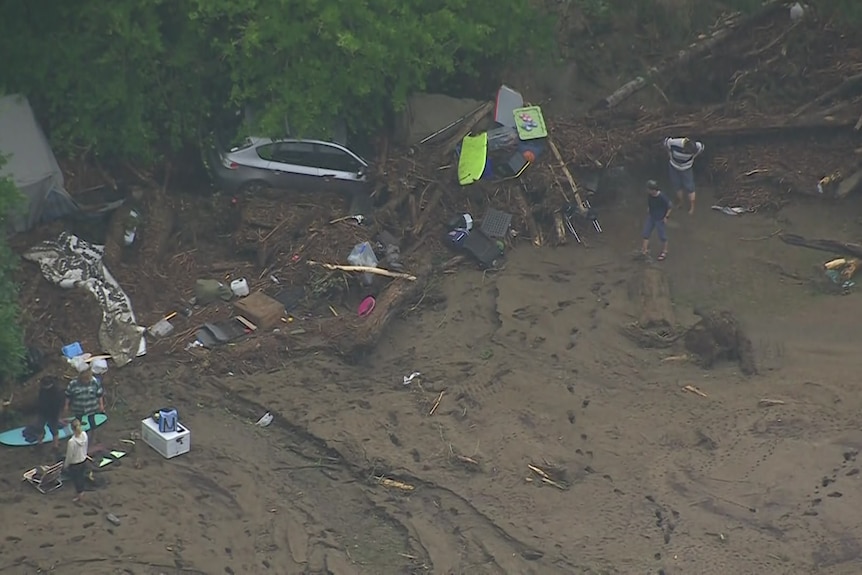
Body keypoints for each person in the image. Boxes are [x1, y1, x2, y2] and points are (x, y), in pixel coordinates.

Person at [663, 136, 705, 215]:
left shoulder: (697, 147)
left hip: (687, 168)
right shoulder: (675, 143)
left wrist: (693, 157)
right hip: (674, 166)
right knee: (676, 184)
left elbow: (701, 148)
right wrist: (669, 154)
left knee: (690, 187)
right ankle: (680, 202)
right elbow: (666, 143)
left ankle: (692, 207)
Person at [64, 366, 105, 441]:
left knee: (92, 423)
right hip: (78, 407)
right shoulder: (73, 383)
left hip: (91, 407)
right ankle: (77, 438)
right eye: (84, 379)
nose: (86, 381)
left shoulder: (94, 381)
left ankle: (93, 439)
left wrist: (101, 405)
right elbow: (68, 395)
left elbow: (99, 394)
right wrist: (66, 405)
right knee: (77, 423)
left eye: (87, 379)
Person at [642, 180, 672, 261]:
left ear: (653, 190)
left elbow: (669, 206)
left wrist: (666, 217)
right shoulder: (649, 195)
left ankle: (664, 251)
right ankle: (644, 251)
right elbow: (649, 203)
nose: (647, 190)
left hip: (659, 218)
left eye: (648, 189)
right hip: (651, 216)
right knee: (645, 233)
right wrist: (649, 209)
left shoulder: (662, 197)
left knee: (662, 236)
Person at [35, 376, 65, 451]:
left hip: (53, 414)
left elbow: (59, 405)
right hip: (42, 413)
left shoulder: (57, 392)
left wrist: (57, 417)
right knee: (39, 427)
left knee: (54, 429)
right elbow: (39, 400)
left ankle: (55, 446)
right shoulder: (42, 390)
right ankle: (39, 443)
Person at [63, 418, 89, 502]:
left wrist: (66, 465)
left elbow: (69, 455)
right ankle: (81, 493)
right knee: (81, 477)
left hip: (75, 463)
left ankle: (79, 495)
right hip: (83, 460)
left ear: (71, 428)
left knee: (76, 480)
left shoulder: (71, 442)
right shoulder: (84, 435)